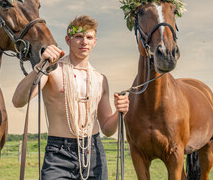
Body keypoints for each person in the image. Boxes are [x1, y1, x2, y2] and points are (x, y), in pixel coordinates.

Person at [12, 15, 129, 180]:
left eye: (89, 37)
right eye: (78, 37)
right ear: (68, 40)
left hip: (93, 151)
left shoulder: (100, 79)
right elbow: (18, 100)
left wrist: (119, 112)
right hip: (59, 153)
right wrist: (40, 65)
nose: (84, 42)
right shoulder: (52, 70)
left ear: (95, 42)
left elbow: (107, 129)